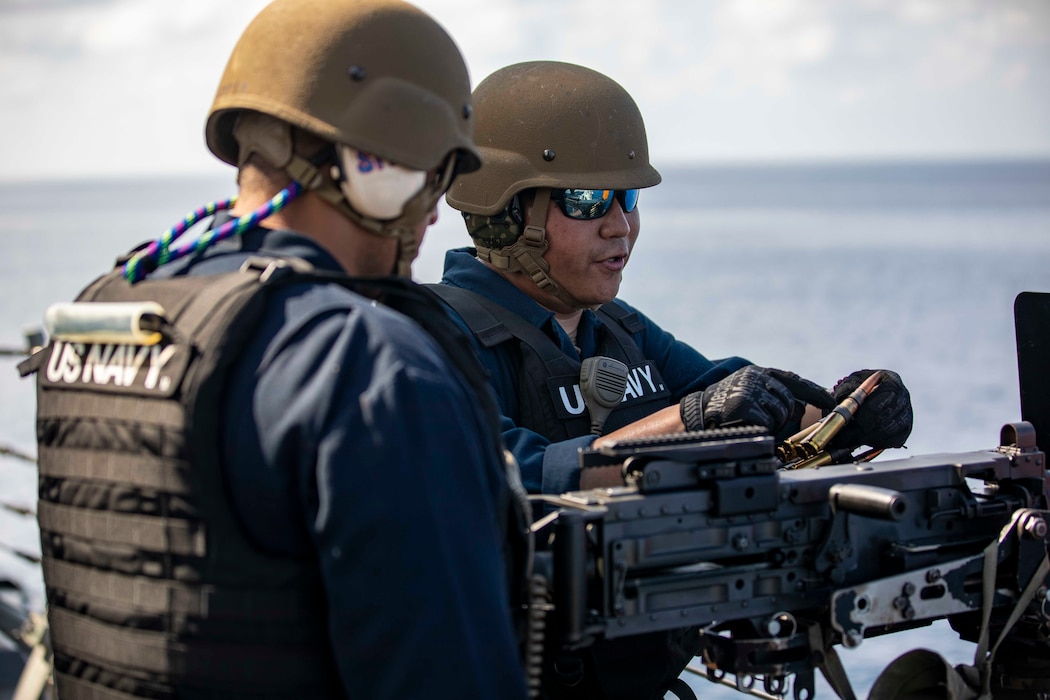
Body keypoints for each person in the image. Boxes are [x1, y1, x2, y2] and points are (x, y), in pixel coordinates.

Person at [18, 2, 530, 698]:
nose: (436, 209)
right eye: (434, 172)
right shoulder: (368, 367)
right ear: (379, 162)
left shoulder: (105, 307)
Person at [433, 60, 914, 699]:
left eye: (627, 198)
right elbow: (503, 472)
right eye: (585, 200)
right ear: (502, 212)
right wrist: (683, 427)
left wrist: (840, 414)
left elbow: (729, 393)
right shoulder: (438, 334)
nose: (619, 225)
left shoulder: (620, 329)